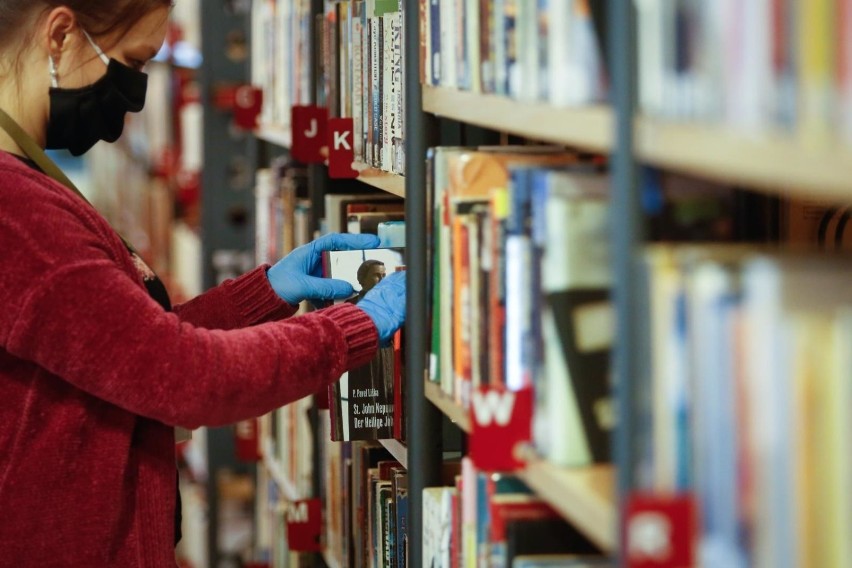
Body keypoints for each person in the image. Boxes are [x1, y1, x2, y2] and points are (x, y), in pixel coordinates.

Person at [0, 1, 406, 566]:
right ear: (61, 34)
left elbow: (123, 350)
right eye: (132, 62)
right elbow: (185, 378)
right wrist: (354, 327)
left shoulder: (21, 178)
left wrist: (267, 294)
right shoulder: (15, 210)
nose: (137, 92)